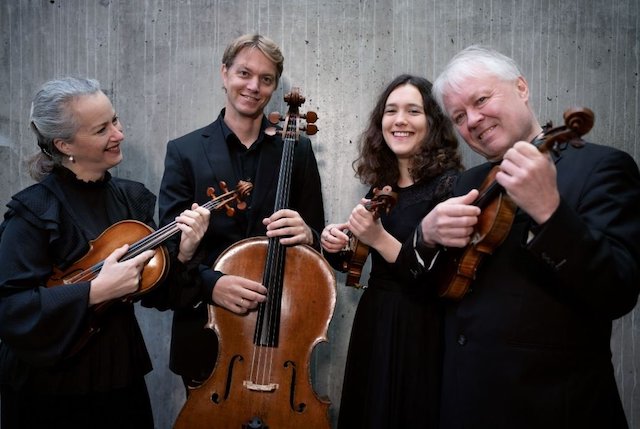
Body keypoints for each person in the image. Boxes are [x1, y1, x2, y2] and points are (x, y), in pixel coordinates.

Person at [397, 46, 640, 428]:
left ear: (522, 88)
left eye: (481, 100)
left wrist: (551, 214)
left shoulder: (601, 167)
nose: (473, 120)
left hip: (553, 408)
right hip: (463, 404)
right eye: (459, 116)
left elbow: (619, 289)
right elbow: (426, 290)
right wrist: (424, 237)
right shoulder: (465, 183)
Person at [0, 77, 210, 428]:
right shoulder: (33, 212)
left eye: (115, 120)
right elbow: (10, 309)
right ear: (64, 143)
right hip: (48, 390)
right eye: (102, 129)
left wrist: (185, 253)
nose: (119, 134)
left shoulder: (131, 200)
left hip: (117, 373)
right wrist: (95, 291)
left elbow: (159, 294)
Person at [141, 33, 325, 392]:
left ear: (273, 87)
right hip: (204, 327)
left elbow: (315, 240)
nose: (253, 86)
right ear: (224, 73)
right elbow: (169, 249)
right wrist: (212, 285)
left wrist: (309, 235)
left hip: (279, 329)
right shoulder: (184, 151)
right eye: (244, 73)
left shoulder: (297, 151)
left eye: (266, 79)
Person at [320, 74, 463, 428]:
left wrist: (378, 237)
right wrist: (338, 244)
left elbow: (439, 278)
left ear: (432, 123)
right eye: (391, 110)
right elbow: (360, 262)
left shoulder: (450, 187)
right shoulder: (379, 187)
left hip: (421, 327)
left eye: (413, 111)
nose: (399, 120)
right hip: (376, 319)